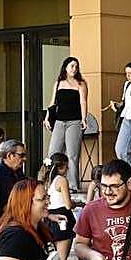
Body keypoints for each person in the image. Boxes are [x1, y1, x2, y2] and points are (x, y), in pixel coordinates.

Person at [46, 57, 89, 190]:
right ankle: (51, 184)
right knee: (53, 152)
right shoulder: (58, 83)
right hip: (59, 121)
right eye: (72, 66)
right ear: (65, 67)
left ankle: (73, 186)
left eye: (76, 66)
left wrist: (83, 118)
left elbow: (83, 102)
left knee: (72, 154)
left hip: (74, 121)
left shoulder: (81, 84)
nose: (74, 69)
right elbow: (53, 102)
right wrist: (47, 117)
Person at [40, 153, 76, 260]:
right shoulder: (61, 180)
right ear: (61, 166)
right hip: (62, 217)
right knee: (62, 259)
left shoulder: (45, 180)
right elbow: (68, 205)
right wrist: (76, 203)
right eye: (66, 166)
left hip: (49, 217)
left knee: (52, 258)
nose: (68, 169)